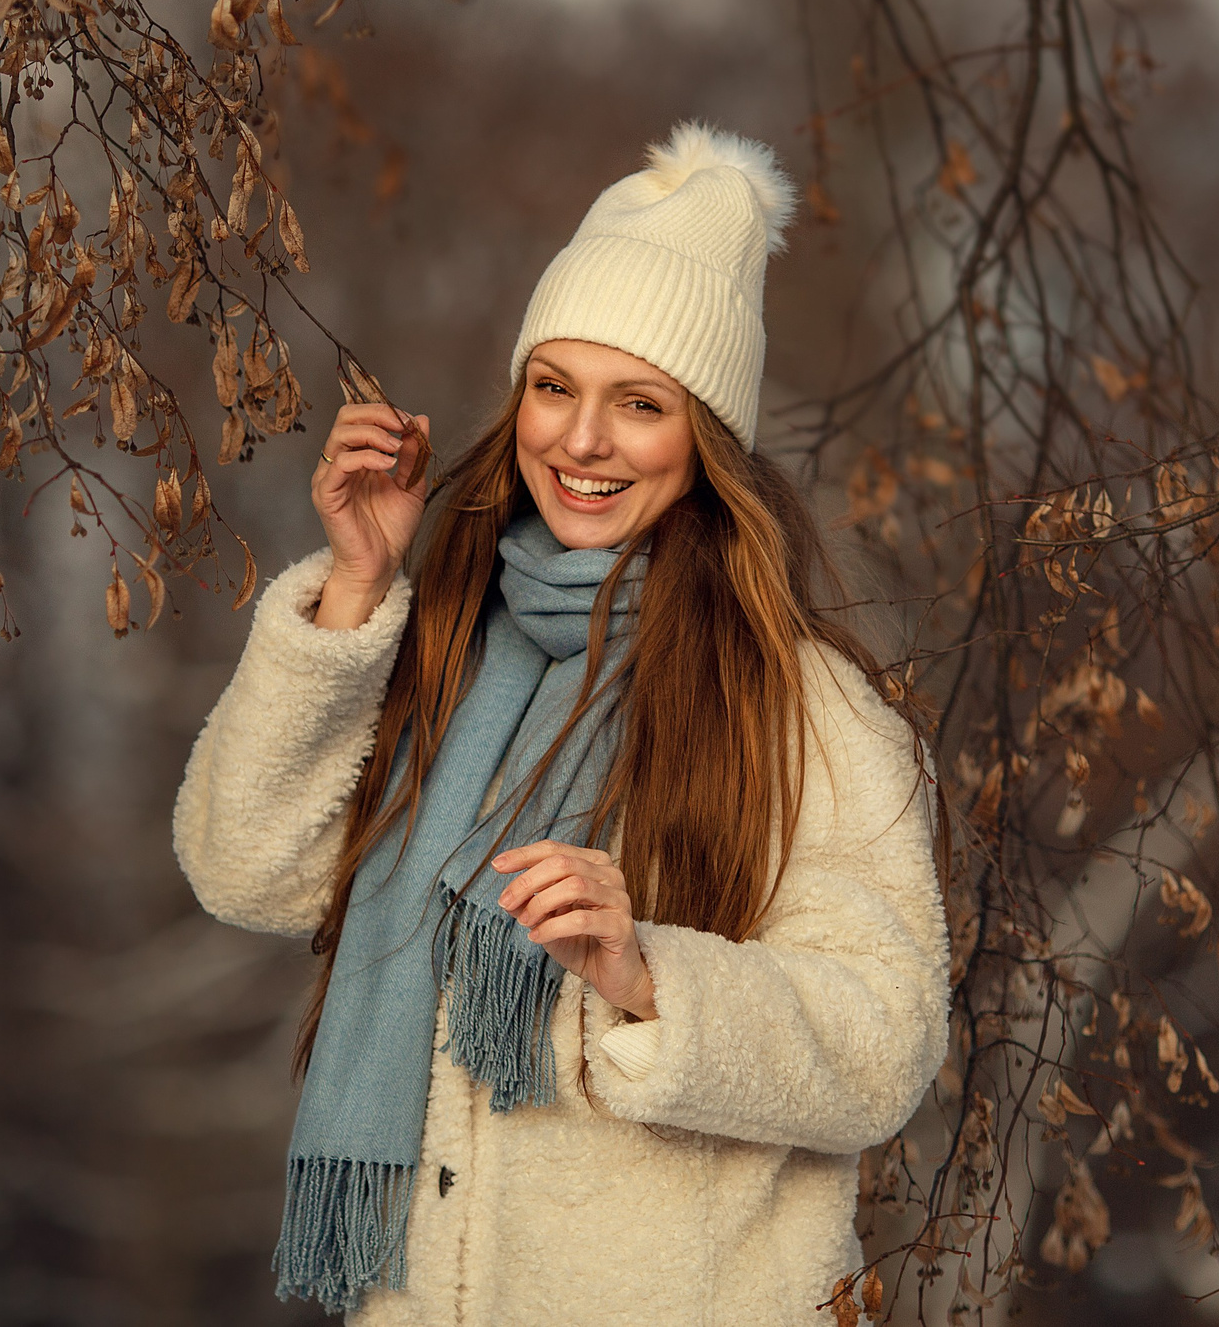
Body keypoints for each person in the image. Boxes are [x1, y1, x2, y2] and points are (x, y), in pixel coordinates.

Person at [173, 124, 949, 1325]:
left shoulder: (802, 705)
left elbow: (882, 1045)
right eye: (553, 387)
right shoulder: (444, 639)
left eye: (637, 403)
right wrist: (356, 592)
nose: (580, 441)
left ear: (704, 441)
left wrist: (650, 976)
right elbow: (246, 870)